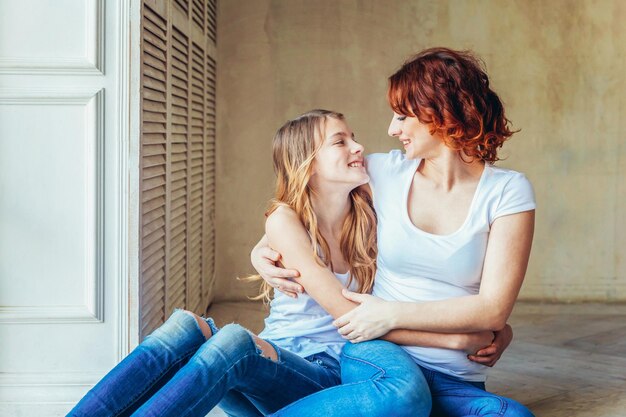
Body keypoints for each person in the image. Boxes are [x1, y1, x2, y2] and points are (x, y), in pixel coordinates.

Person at [67, 109, 495, 417]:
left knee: (233, 342)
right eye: (340, 141)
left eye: (353, 136)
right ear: (307, 164)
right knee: (185, 327)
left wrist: (483, 324)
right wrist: (455, 340)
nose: (359, 146)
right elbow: (347, 314)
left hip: (329, 372)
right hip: (272, 368)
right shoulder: (284, 219)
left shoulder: (372, 209)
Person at [252, 48, 536, 417]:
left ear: (441, 114)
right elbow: (309, 196)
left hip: (456, 372)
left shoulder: (507, 191)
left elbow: (493, 310)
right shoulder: (386, 173)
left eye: (403, 115)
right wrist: (262, 247)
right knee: (400, 398)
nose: (391, 129)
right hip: (380, 354)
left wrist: (393, 314)